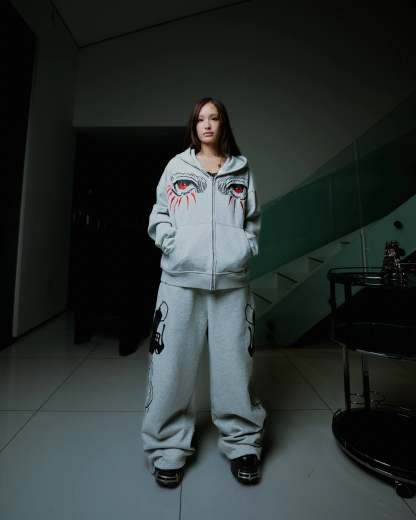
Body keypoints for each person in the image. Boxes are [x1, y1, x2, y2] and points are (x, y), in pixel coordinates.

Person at [141, 97, 267, 488]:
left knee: (235, 365)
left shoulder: (241, 169)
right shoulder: (177, 167)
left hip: (231, 283)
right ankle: (167, 448)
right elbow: (160, 214)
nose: (207, 124)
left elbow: (252, 219)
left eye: (214, 118)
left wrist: (244, 247)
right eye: (200, 119)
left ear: (223, 124)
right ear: (193, 126)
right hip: (179, 281)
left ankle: (243, 443)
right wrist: (174, 246)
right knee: (171, 367)